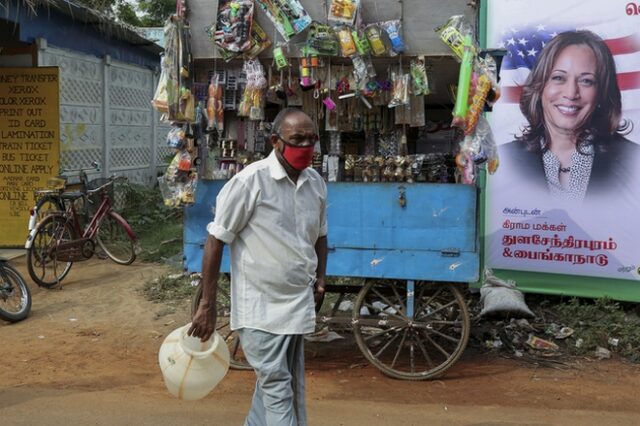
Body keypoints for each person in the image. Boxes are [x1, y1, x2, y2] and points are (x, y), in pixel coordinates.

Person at [189, 107, 328, 426]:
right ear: (275, 142)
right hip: (259, 309)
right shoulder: (250, 182)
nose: (306, 145)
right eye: (297, 139)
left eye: (311, 139)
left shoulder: (315, 183)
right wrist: (207, 305)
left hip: (296, 304)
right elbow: (215, 240)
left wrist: (320, 278)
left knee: (283, 387)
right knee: (279, 388)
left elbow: (320, 234)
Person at [499, 30, 640, 204]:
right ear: (540, 86)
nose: (571, 93)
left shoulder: (634, 162)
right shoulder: (502, 161)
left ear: (601, 93)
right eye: (559, 78)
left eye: (586, 81)